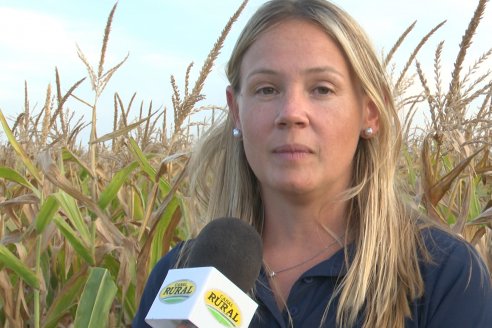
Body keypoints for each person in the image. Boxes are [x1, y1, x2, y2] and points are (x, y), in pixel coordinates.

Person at [133, 0, 492, 327]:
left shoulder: (444, 274)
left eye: (321, 89)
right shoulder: (180, 276)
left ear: (370, 111)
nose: (291, 113)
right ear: (235, 111)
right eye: (266, 89)